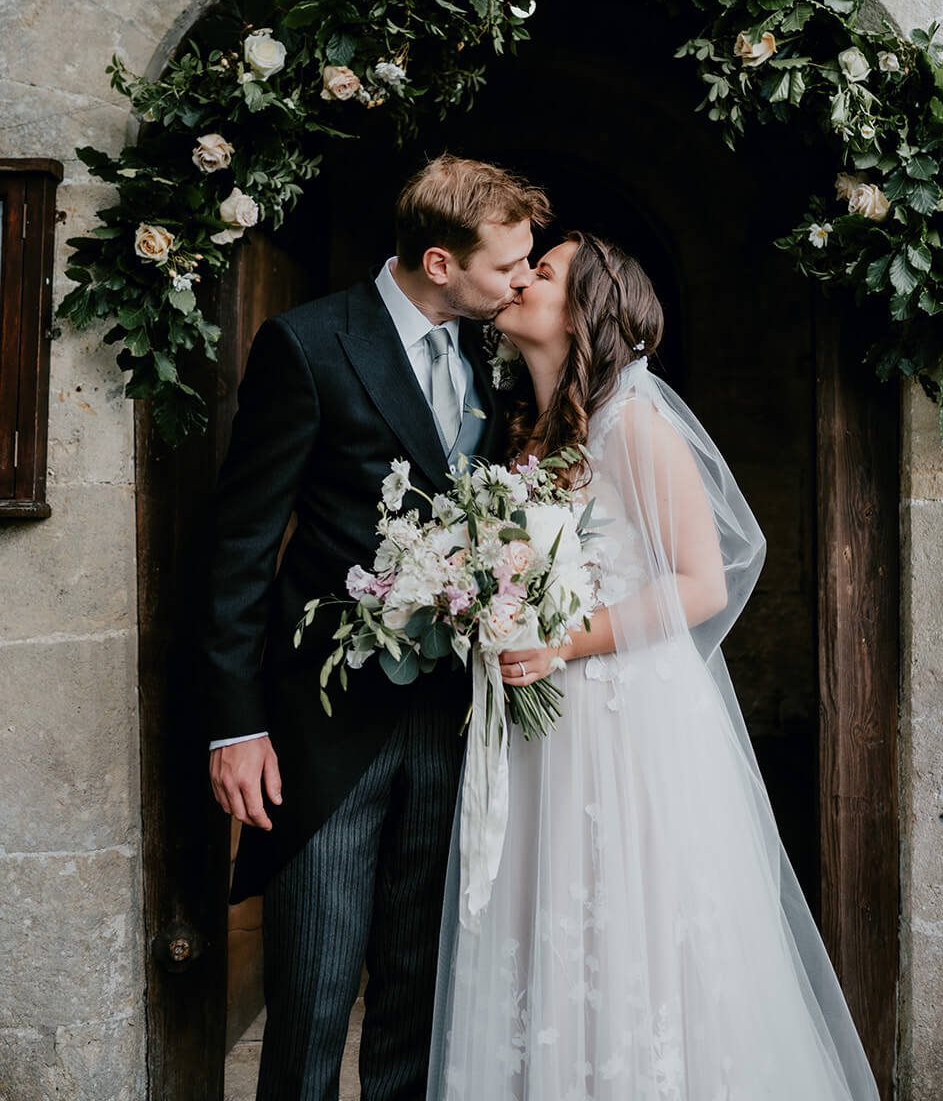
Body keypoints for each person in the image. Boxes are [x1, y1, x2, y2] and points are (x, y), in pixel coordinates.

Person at [427, 231, 881, 1100]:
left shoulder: (631, 423)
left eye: (544, 271)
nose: (521, 279)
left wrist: (562, 639)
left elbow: (702, 581)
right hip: (543, 728)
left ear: (584, 313)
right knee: (547, 927)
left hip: (621, 723)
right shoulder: (523, 432)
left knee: (629, 932)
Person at [201, 154, 551, 1101]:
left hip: (452, 717)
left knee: (419, 990)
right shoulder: (309, 345)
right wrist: (236, 726)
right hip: (325, 725)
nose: (521, 280)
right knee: (312, 997)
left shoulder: (496, 351)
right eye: (504, 265)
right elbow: (236, 546)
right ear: (439, 262)